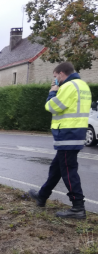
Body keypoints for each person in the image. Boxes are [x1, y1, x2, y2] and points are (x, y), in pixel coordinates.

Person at [28, 62, 91, 219]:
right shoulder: (83, 85)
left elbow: (52, 106)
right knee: (56, 168)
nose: (55, 80)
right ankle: (42, 196)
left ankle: (78, 208)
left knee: (68, 171)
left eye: (55, 77)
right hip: (77, 132)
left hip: (67, 134)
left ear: (62, 74)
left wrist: (52, 91)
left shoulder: (68, 87)